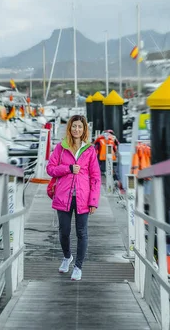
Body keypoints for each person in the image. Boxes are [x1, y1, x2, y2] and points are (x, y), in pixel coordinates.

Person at [46, 115, 101, 281]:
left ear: (84, 130)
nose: (77, 129)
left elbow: (96, 177)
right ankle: (67, 256)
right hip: (63, 196)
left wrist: (93, 201)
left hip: (83, 198)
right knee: (64, 232)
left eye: (80, 127)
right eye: (74, 126)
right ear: (69, 128)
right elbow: (50, 169)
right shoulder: (61, 148)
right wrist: (68, 168)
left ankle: (78, 266)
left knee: (82, 232)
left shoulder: (90, 150)